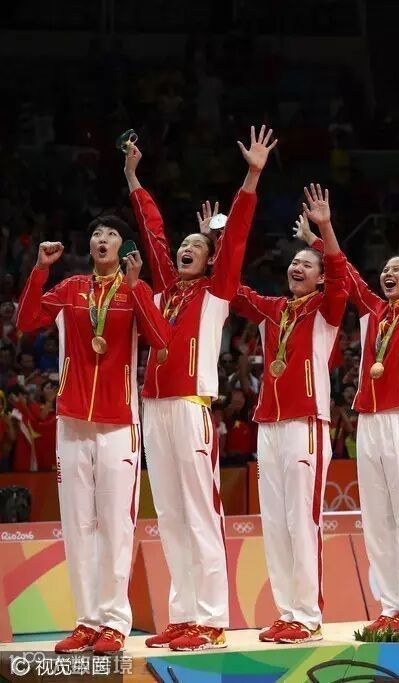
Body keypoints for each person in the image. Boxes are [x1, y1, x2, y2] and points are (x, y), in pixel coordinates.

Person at [125, 125, 274, 651]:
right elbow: (153, 234)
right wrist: (133, 178)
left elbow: (234, 240)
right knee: (169, 515)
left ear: (210, 260)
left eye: (196, 247)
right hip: (154, 409)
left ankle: (211, 618)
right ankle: (183, 613)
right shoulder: (163, 292)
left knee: (201, 513)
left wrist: (251, 177)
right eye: (184, 246)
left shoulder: (217, 292)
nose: (185, 250)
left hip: (191, 408)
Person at [295, 192, 399, 631]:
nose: (388, 274)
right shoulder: (372, 309)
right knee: (376, 520)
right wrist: (322, 231)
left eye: (397, 270)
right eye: (385, 270)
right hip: (368, 422)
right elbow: (344, 270)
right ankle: (390, 607)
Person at [17, 221, 170, 654]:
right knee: (78, 525)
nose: (102, 240)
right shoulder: (71, 289)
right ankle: (86, 621)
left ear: (123, 247)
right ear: (89, 244)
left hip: (119, 423)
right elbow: (27, 320)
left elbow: (162, 341)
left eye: (112, 236)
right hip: (72, 421)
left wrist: (137, 289)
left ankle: (115, 622)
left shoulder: (135, 290)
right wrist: (40, 270)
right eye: (98, 235)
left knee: (116, 526)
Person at [232, 184, 349, 644]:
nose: (297, 267)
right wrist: (220, 241)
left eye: (307, 264)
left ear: (319, 278)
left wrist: (324, 230)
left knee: (302, 521)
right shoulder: (272, 310)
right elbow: (230, 289)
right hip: (269, 425)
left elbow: (341, 275)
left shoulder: (326, 309)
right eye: (295, 262)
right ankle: (287, 612)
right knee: (276, 523)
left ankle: (308, 616)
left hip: (306, 423)